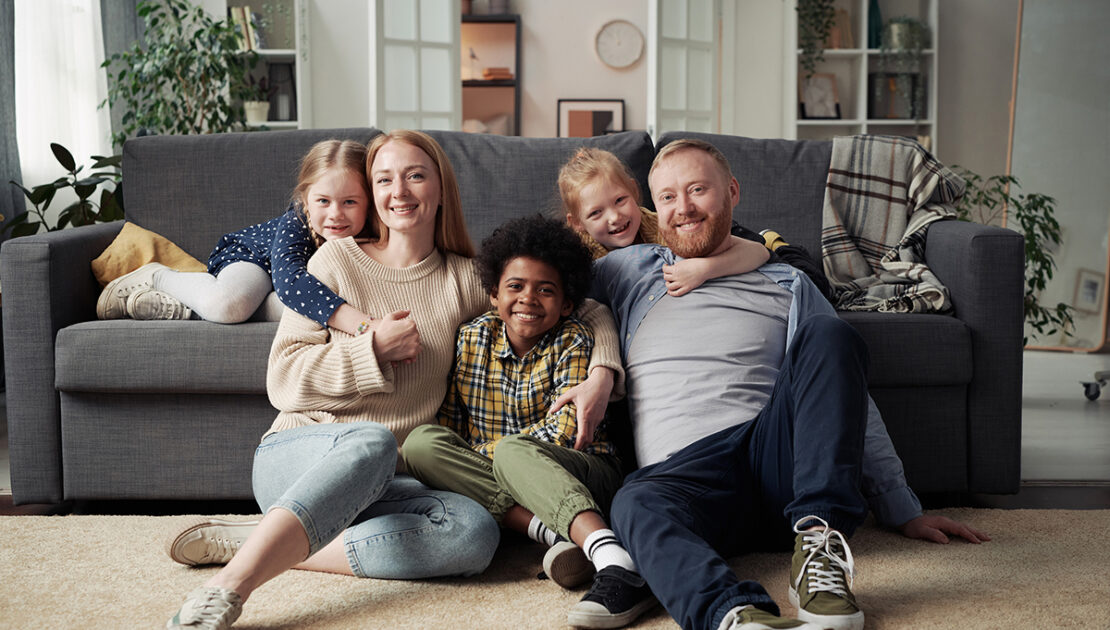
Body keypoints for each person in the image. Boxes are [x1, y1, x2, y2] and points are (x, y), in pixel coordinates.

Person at [163, 131, 624, 630]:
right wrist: (372, 350)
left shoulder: (465, 279)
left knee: (473, 534)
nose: (399, 191)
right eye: (384, 180)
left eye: (415, 176)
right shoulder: (334, 260)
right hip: (301, 455)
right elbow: (283, 380)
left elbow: (587, 308)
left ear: (441, 189)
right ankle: (230, 585)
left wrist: (602, 372)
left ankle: (267, 541)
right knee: (373, 442)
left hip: (395, 480)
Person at [585, 139, 989, 630]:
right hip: (688, 481)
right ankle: (735, 617)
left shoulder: (787, 281)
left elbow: (843, 394)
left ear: (732, 192)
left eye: (698, 190)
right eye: (668, 197)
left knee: (831, 333)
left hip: (774, 460)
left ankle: (819, 548)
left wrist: (901, 507)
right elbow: (541, 290)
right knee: (633, 502)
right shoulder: (628, 271)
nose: (683, 207)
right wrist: (601, 369)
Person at [402, 214, 652, 629]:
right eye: (515, 286)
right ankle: (552, 534)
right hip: (510, 473)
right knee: (420, 444)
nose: (528, 299)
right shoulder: (471, 339)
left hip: (583, 469)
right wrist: (485, 457)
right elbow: (451, 430)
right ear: (494, 294)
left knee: (515, 451)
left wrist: (492, 455)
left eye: (546, 290)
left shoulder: (574, 338)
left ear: (567, 303)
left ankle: (612, 557)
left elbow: (565, 433)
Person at [95, 140, 378, 335]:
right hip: (255, 258)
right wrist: (361, 324)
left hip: (287, 290)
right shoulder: (298, 220)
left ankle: (188, 310)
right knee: (229, 305)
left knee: (302, 313)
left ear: (370, 202)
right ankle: (159, 277)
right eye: (323, 201)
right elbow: (290, 282)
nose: (335, 214)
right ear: (305, 199)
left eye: (350, 202)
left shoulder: (376, 232)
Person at [557, 147, 769, 297]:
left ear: (634, 190)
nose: (615, 217)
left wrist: (704, 269)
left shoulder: (667, 226)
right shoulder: (577, 255)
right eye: (596, 213)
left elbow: (758, 252)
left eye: (620, 200)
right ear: (577, 223)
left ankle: (769, 236)